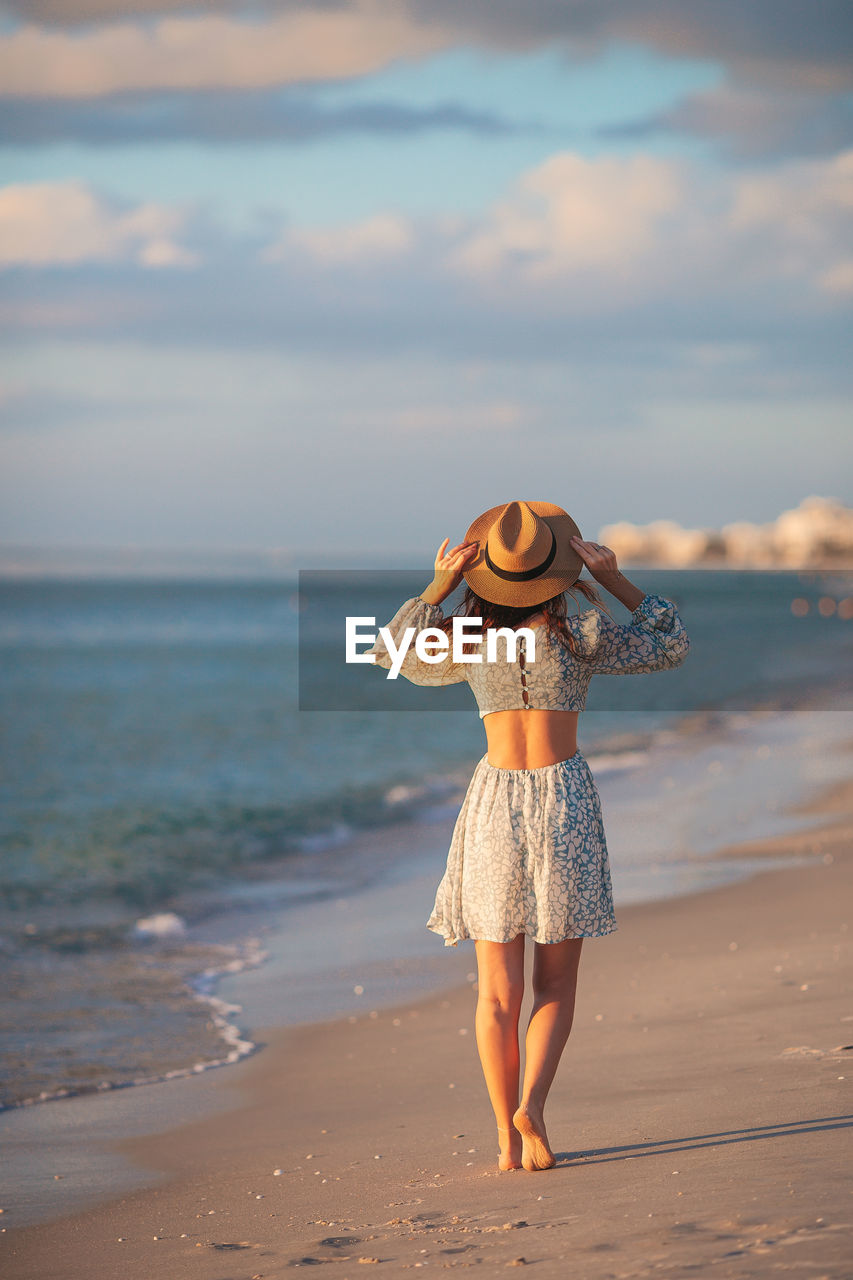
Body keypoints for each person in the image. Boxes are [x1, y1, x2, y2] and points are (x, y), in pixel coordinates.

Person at [366, 500, 690, 1173]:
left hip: (492, 805)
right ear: (557, 574)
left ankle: (503, 1140)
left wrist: (438, 586)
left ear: (484, 575)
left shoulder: (466, 642)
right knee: (555, 987)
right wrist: (613, 581)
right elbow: (669, 643)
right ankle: (533, 1106)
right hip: (561, 797)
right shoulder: (582, 637)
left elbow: (386, 652)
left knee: (494, 995)